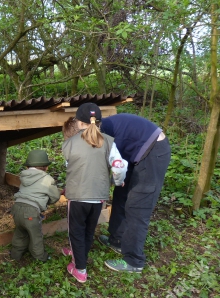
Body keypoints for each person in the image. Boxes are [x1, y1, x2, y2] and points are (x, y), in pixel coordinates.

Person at [61, 103, 127, 283]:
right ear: (99, 123)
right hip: (99, 197)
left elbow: (70, 167)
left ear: (78, 122)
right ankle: (78, 252)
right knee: (89, 229)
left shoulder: (69, 144)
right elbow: (119, 167)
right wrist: (118, 182)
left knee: (76, 230)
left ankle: (80, 268)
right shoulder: (109, 142)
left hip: (77, 196)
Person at [99, 113, 171, 273]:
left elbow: (108, 164)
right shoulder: (100, 128)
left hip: (153, 151)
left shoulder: (102, 133)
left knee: (137, 205)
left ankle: (134, 260)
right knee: (121, 193)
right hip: (135, 151)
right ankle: (117, 240)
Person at [10, 150, 61, 262]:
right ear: (46, 167)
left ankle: (15, 254)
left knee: (20, 232)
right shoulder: (47, 179)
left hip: (16, 208)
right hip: (31, 212)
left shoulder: (24, 176)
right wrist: (47, 202)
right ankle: (40, 258)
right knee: (36, 236)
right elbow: (55, 197)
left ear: (28, 166)